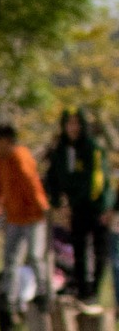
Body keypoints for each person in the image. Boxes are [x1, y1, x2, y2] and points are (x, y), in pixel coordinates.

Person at [44, 109, 111, 306]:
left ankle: (94, 291)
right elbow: (52, 179)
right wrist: (58, 203)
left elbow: (96, 181)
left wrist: (106, 208)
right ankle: (82, 292)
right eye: (69, 124)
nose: (73, 128)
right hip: (76, 208)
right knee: (79, 249)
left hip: (97, 206)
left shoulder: (92, 148)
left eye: (77, 124)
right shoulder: (60, 151)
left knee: (100, 252)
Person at [0, 123, 50, 329]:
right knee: (10, 259)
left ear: (6, 141)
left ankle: (44, 292)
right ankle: (11, 299)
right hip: (14, 218)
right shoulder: (0, 161)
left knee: (34, 255)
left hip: (33, 217)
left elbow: (32, 183)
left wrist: (41, 208)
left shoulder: (20, 157)